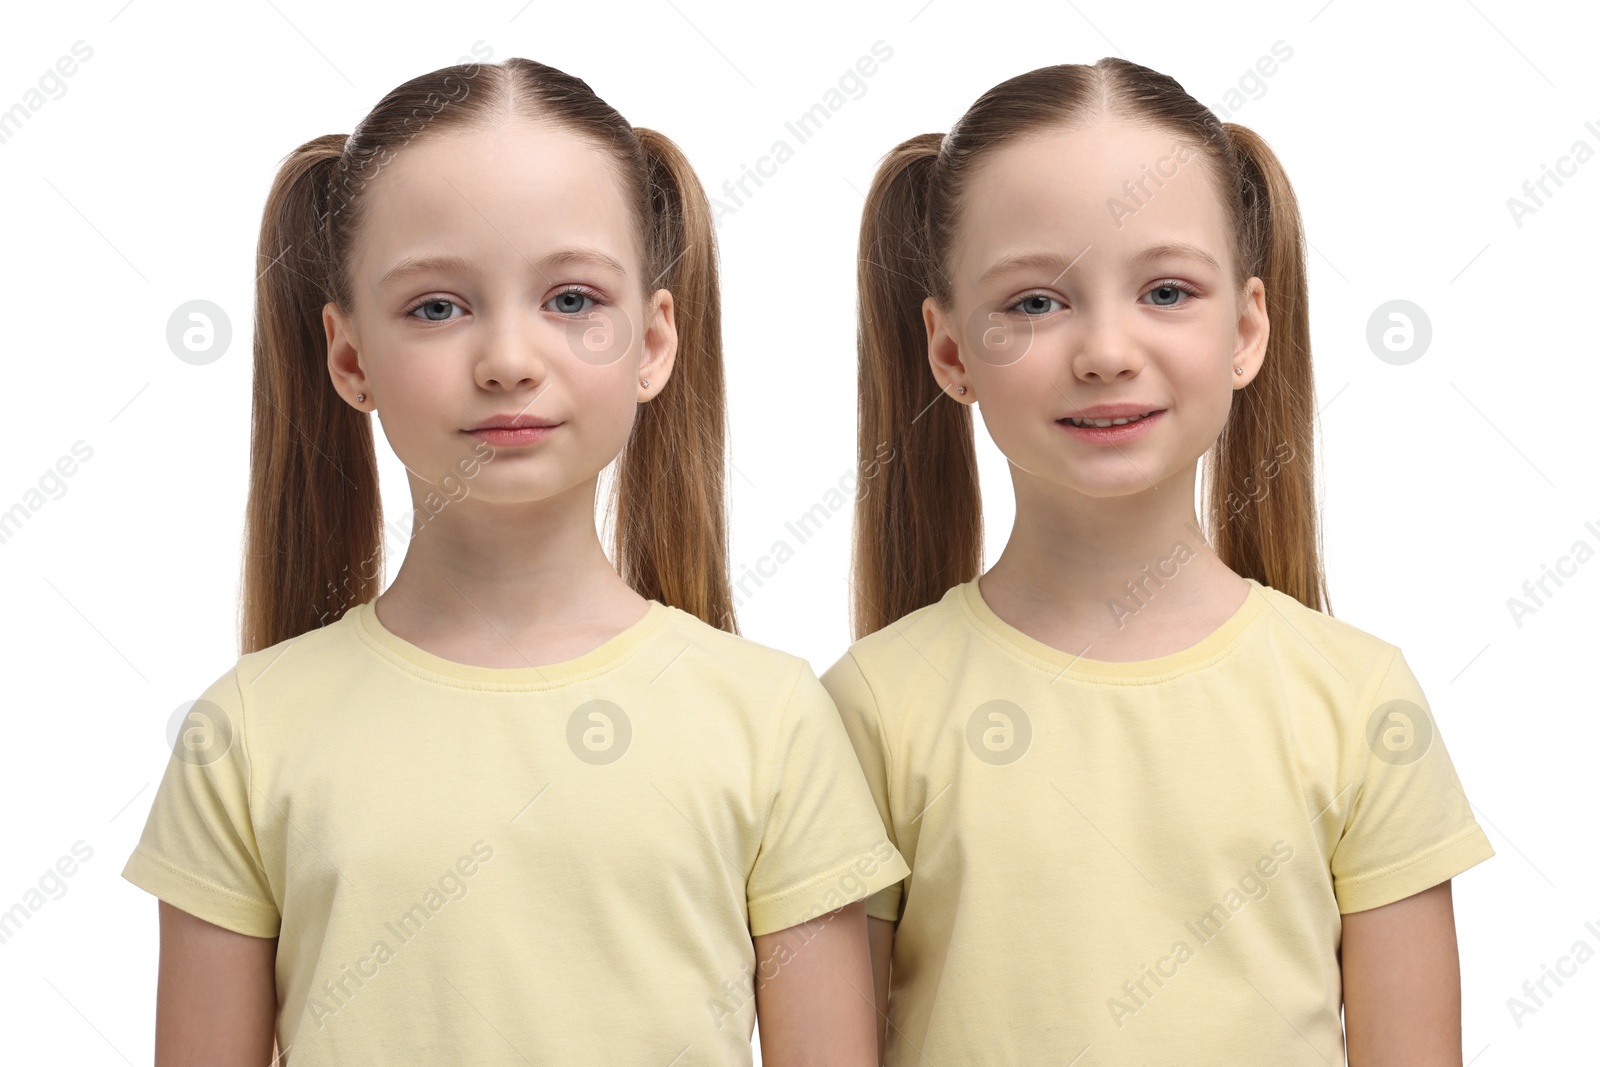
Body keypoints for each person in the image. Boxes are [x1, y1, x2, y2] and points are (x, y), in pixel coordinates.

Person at [122, 56, 907, 1066]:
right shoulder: (245, 734)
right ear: (349, 357)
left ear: (654, 341)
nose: (507, 356)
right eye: (437, 307)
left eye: (572, 298)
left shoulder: (772, 719)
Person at [824, 56, 1493, 1065]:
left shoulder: (1360, 703)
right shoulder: (869, 709)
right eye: (1037, 303)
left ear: (1246, 328)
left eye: (1166, 290)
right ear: (950, 349)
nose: (1104, 347)